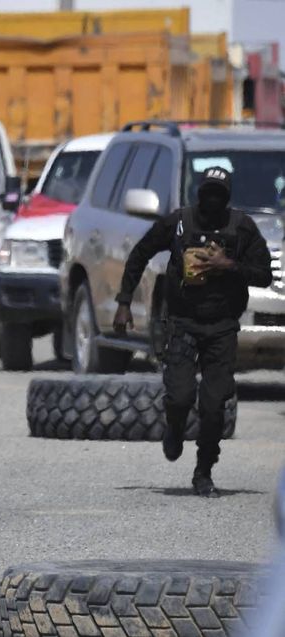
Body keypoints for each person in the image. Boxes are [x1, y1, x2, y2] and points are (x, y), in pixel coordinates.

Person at [114, 166, 272, 497]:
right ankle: (174, 427)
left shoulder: (241, 227)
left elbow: (264, 275)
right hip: (183, 323)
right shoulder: (179, 222)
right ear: (199, 194)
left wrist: (228, 266)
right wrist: (124, 301)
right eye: (207, 193)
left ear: (227, 198)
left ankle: (203, 471)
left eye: (219, 194)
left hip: (222, 327)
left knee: (214, 404)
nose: (212, 200)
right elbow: (141, 252)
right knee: (180, 396)